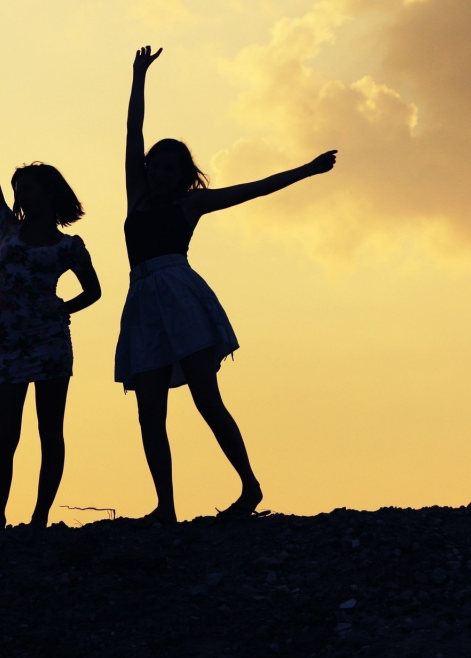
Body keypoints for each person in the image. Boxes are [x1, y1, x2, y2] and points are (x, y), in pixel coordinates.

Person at [117, 46, 337, 524]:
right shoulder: (137, 193)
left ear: (183, 177)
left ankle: (249, 486)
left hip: (180, 296)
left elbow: (255, 188)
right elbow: (133, 130)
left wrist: (307, 169)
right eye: (155, 165)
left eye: (169, 168)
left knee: (206, 398)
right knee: (149, 411)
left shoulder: (190, 205)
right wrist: (139, 76)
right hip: (142, 302)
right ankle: (166, 508)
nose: (159, 172)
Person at [0, 98, 102, 530]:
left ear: (50, 194)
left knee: (50, 432)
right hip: (7, 345)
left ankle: (39, 518)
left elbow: (94, 291)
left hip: (51, 343)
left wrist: (64, 308)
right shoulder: (7, 227)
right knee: (6, 433)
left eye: (30, 188)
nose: (21, 195)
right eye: (19, 189)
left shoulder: (69, 246)